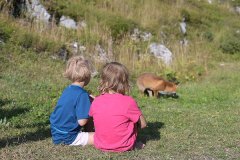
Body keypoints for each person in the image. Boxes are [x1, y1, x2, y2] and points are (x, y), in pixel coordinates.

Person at [89, 62, 147, 152]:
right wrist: (137, 110)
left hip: (100, 144)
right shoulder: (128, 101)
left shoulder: (96, 100)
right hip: (125, 146)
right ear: (125, 82)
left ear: (103, 81)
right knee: (134, 119)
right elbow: (143, 125)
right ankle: (133, 143)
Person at [50, 56, 94, 146]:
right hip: (68, 137)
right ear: (88, 76)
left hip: (56, 133)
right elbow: (82, 121)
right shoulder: (82, 95)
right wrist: (90, 107)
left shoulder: (68, 89)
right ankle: (89, 133)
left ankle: (87, 133)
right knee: (100, 137)